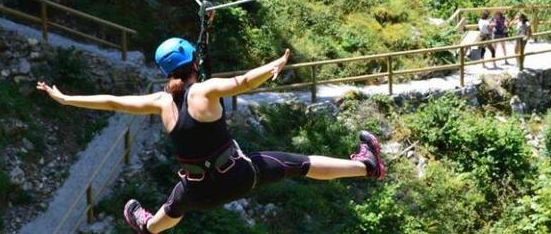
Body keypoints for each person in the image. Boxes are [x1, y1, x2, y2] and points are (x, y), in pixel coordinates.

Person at [38, 39, 386, 234]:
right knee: (301, 164)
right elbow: (244, 82)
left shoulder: (160, 103)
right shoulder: (205, 91)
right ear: (194, 63)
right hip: (239, 176)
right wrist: (274, 66)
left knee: (174, 204)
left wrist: (67, 98)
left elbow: (113, 101)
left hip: (199, 193)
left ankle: (148, 227)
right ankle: (367, 166)